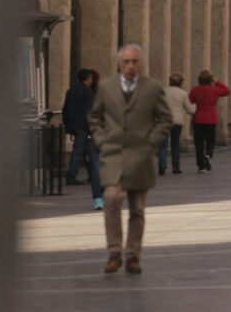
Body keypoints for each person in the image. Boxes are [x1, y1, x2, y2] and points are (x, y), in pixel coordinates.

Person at [88, 44, 173, 274]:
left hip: (140, 157)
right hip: (113, 154)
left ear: (140, 63)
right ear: (119, 63)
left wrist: (150, 142)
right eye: (126, 62)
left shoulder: (152, 88)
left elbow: (166, 119)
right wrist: (101, 141)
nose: (130, 66)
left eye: (134, 61)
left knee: (137, 209)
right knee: (112, 199)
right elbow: (95, 117)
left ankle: (133, 255)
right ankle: (114, 252)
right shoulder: (106, 87)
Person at [63, 68, 103, 210]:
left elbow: (65, 108)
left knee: (81, 151)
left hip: (74, 124)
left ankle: (85, 176)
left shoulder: (71, 90)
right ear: (88, 79)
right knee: (80, 151)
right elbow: (89, 111)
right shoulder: (87, 92)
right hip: (84, 126)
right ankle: (72, 175)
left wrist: (67, 125)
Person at [188, 70, 230, 173]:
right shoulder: (214, 90)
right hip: (211, 119)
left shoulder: (195, 90)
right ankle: (208, 155)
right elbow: (227, 90)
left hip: (198, 119)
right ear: (210, 79)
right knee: (210, 140)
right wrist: (216, 81)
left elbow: (190, 101)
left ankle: (201, 165)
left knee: (199, 142)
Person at [158, 74, 195, 175]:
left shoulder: (163, 92)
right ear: (181, 83)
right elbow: (190, 110)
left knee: (163, 144)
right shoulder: (183, 93)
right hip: (177, 121)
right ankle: (175, 167)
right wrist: (195, 105)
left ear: (170, 81)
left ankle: (162, 164)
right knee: (175, 144)